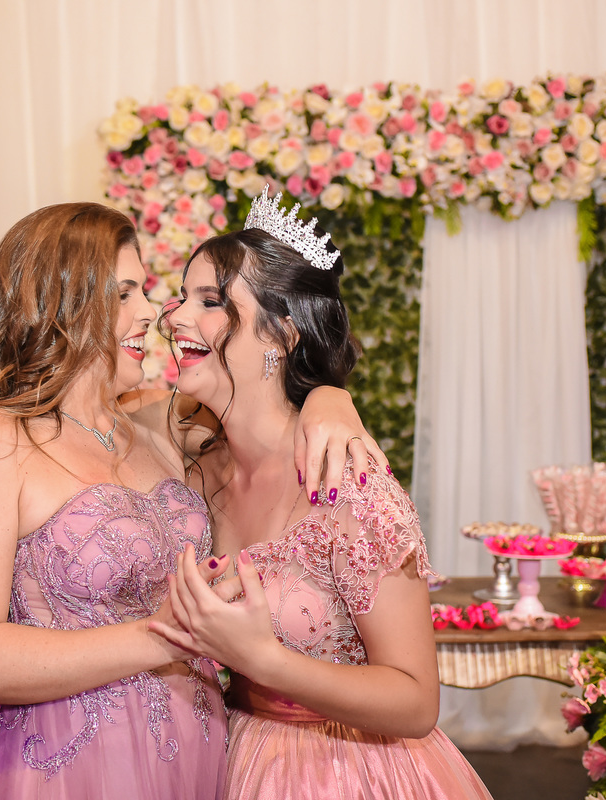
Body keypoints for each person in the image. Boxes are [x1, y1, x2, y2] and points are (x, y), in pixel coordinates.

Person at [0, 201, 382, 798]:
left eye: (145, 291)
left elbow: (265, 401)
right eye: (124, 295)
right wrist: (162, 636)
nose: (152, 312)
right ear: (59, 306)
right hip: (74, 770)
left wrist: (329, 399)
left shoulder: (157, 428)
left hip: (200, 761)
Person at [149, 189, 494, 799]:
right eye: (182, 296)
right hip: (228, 754)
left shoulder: (349, 485)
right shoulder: (192, 459)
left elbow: (416, 701)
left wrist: (265, 660)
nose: (174, 317)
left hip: (349, 771)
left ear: (281, 334)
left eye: (210, 301)